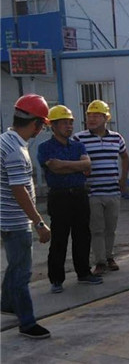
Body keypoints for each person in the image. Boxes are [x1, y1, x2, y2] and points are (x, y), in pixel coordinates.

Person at [0, 94, 52, 339]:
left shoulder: (5, 140)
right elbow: (19, 190)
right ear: (36, 124)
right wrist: (39, 223)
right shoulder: (16, 152)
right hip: (15, 220)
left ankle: (7, 303)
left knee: (15, 264)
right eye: (42, 125)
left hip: (5, 217)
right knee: (22, 272)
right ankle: (27, 322)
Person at [38, 105, 102, 293]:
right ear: (53, 126)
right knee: (59, 238)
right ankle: (56, 279)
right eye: (64, 123)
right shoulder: (45, 147)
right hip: (59, 196)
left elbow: (87, 164)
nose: (69, 126)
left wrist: (64, 164)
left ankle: (83, 272)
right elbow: (54, 168)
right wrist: (76, 166)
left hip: (79, 195)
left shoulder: (78, 145)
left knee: (82, 235)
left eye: (70, 123)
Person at [73, 100, 129, 277]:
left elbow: (125, 157)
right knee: (96, 229)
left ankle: (109, 257)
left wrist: (123, 180)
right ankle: (100, 262)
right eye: (89, 116)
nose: (92, 119)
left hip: (112, 191)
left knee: (110, 228)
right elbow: (74, 162)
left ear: (106, 118)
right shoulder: (79, 139)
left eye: (96, 116)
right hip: (92, 192)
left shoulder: (116, 138)